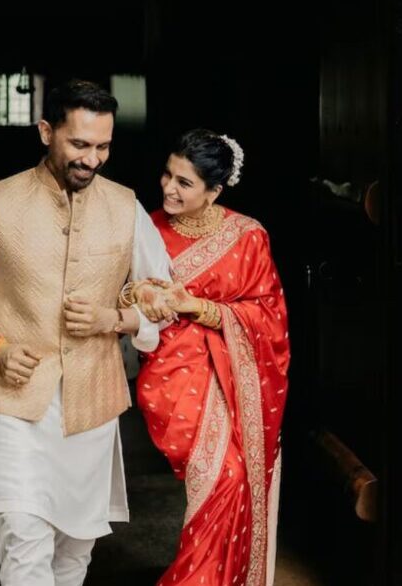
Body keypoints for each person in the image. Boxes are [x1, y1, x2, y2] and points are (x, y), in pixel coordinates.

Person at [0, 79, 172, 586]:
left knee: (74, 551)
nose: (92, 159)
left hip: (93, 403)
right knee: (23, 538)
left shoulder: (126, 207)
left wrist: (115, 320)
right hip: (12, 402)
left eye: (103, 146)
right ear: (47, 132)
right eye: (79, 144)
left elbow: (165, 301)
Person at [132, 128, 291, 586]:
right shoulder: (146, 228)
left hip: (231, 377)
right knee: (221, 478)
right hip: (172, 375)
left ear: (214, 190)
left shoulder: (248, 236)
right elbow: (121, 291)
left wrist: (197, 307)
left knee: (232, 478)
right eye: (167, 174)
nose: (168, 187)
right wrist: (143, 295)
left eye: (184, 182)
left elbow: (269, 315)